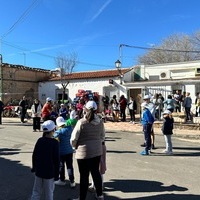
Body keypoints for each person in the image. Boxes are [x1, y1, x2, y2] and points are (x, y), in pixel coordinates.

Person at [70, 100, 105, 200]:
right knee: (96, 173)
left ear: (85, 109)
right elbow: (102, 136)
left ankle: (82, 198)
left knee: (84, 176)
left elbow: (73, 138)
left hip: (83, 152)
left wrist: (74, 146)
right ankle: (100, 195)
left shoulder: (81, 122)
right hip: (97, 151)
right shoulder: (100, 122)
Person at [31, 120, 60, 200]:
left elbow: (34, 155)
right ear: (53, 130)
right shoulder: (55, 143)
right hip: (49, 173)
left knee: (36, 191)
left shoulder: (40, 140)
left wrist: (34, 168)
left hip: (39, 171)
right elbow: (57, 160)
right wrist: (57, 174)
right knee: (49, 193)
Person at [54, 116, 76, 187]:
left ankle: (62, 180)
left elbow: (56, 141)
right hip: (69, 150)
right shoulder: (70, 129)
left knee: (61, 166)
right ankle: (72, 181)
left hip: (61, 152)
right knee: (70, 166)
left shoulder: (58, 132)